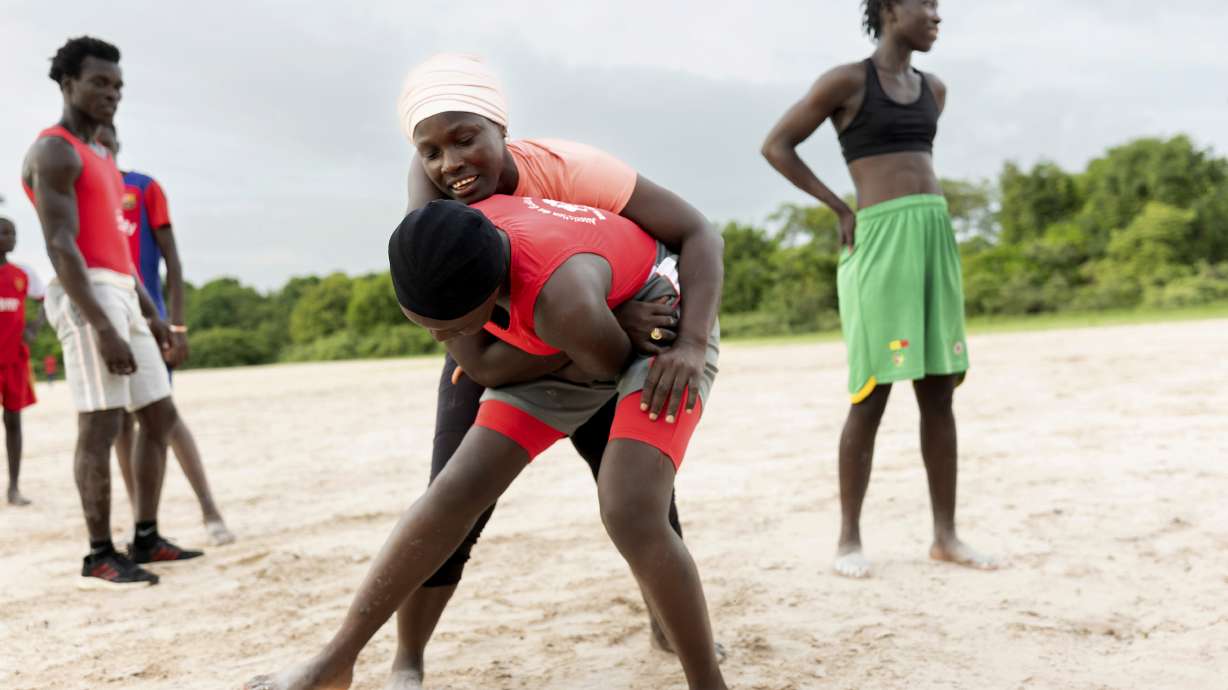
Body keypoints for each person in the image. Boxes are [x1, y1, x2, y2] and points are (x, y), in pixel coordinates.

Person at [245, 196, 726, 690]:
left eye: (449, 326)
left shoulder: (563, 299)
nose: (438, 337)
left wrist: (607, 324)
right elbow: (490, 364)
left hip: (653, 327)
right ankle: (334, 662)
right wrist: (554, 340)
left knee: (629, 508)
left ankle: (708, 683)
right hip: (574, 336)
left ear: (491, 293)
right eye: (425, 323)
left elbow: (607, 366)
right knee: (453, 491)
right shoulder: (448, 247)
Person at [389, 53, 725, 689]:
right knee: (453, 498)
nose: (451, 164)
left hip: (599, 334)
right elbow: (479, 360)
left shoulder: (572, 172)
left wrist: (688, 343)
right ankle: (408, 656)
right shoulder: (429, 211)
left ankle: (669, 627)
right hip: (505, 351)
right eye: (431, 151)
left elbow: (699, 233)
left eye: (466, 139)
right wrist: (595, 328)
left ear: (501, 130)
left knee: (637, 495)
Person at [762, 0, 996, 579]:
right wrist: (839, 206)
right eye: (928, 6)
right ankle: (849, 541)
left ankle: (945, 536)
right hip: (879, 241)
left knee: (939, 389)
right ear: (891, 9)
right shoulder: (846, 81)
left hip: (934, 236)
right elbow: (777, 145)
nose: (938, 17)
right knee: (871, 390)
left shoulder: (934, 89)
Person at [22, 36, 203, 590]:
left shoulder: (102, 153)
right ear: (67, 82)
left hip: (123, 289)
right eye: (100, 82)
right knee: (101, 425)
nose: (112, 93)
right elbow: (60, 244)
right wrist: (101, 324)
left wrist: (154, 315)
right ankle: (98, 554)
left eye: (118, 85)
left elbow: (121, 252)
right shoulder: (54, 151)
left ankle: (145, 535)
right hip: (85, 295)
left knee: (160, 415)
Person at [94, 123, 236, 546]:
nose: (99, 145)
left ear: (118, 143)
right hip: (106, 320)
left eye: (106, 138)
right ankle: (145, 524)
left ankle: (210, 509)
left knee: (164, 416)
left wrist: (176, 324)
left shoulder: (143, 188)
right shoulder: (83, 194)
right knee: (120, 424)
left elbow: (172, 261)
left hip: (148, 319)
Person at [0, 217, 46, 506]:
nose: (11, 237)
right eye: (4, 232)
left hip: (15, 360)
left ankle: (14, 487)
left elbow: (46, 299)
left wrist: (34, 327)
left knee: (13, 421)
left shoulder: (23, 274)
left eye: (13, 232)